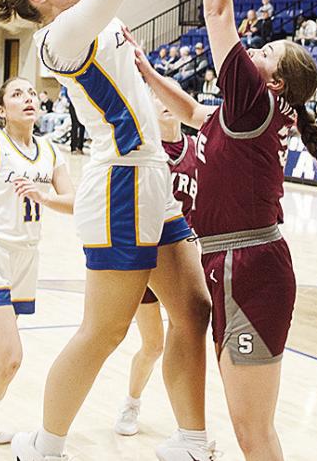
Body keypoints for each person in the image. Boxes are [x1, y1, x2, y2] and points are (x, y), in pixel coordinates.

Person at [0, 0, 212, 461]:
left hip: (151, 178)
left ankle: (191, 439)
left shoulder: (93, 8)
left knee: (192, 310)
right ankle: (45, 447)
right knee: (105, 331)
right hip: (119, 184)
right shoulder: (57, 36)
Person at [125, 0, 317, 461]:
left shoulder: (255, 102)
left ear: (275, 81)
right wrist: (147, 71)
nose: (253, 51)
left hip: (247, 266)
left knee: (252, 431)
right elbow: (192, 111)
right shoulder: (249, 114)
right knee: (251, 426)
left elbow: (217, 9)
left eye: (264, 53)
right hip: (239, 263)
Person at [0, 77, 74, 458]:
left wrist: (46, 197)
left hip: (26, 259)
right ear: (2, 110)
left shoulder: (50, 152)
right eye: (17, 94)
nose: (28, 98)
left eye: (31, 93)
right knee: (9, 356)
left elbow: (72, 200)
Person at [115, 81, 202, 436]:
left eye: (170, 95)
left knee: (193, 334)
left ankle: (191, 424)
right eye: (156, 96)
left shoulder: (199, 148)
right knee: (153, 344)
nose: (164, 102)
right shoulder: (147, 151)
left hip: (186, 256)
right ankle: (131, 403)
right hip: (150, 258)